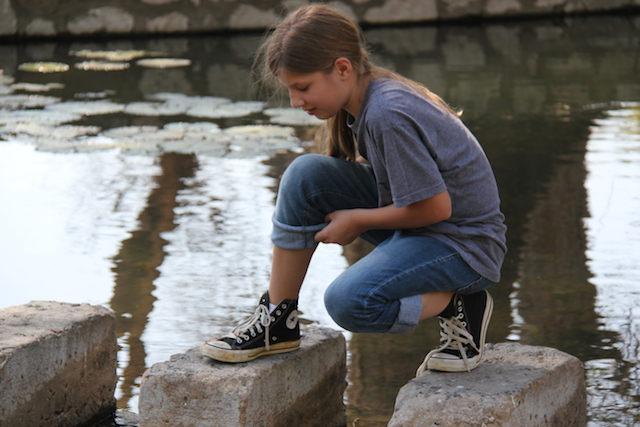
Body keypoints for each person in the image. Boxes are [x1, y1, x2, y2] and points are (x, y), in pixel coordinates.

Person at [201, 4, 507, 375]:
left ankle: (459, 305)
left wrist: (358, 220)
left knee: (349, 302)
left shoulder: (386, 113)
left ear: (342, 68)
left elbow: (437, 208)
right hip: (428, 229)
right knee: (305, 174)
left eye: (303, 88)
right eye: (291, 91)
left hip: (465, 247)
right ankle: (277, 320)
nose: (296, 102)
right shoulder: (363, 101)